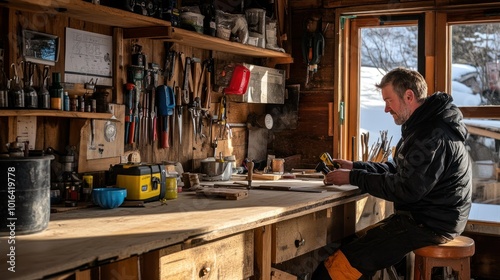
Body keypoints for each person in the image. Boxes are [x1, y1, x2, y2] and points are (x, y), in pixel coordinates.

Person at [312, 67, 472, 279]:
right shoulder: (423, 127)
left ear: (408, 96)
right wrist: (356, 167)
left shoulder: (430, 136)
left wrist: (352, 178)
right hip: (430, 219)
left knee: (333, 270)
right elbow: (398, 170)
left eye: (389, 100)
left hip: (428, 225)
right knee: (352, 247)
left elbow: (406, 188)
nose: (386, 109)